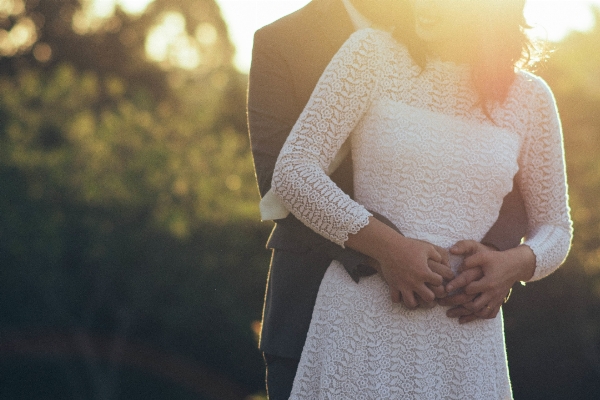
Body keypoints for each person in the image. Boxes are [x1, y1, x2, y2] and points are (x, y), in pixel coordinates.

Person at [270, 0, 573, 397]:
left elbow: (556, 227)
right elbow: (294, 171)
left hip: (464, 340)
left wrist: (513, 264)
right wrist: (389, 248)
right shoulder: (370, 53)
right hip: (363, 324)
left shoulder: (531, 99)